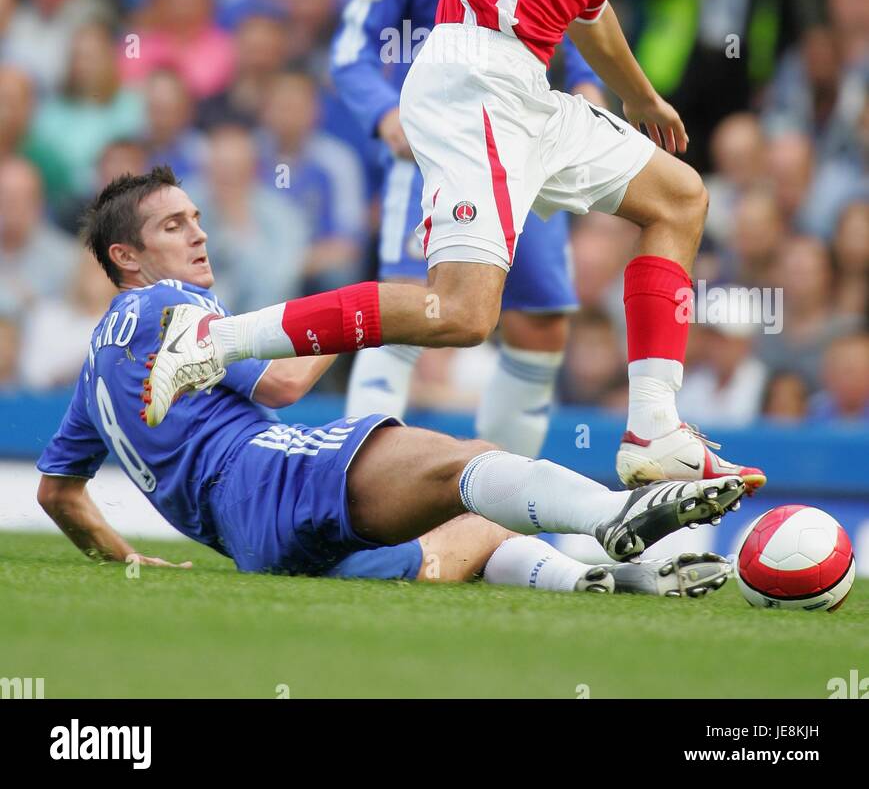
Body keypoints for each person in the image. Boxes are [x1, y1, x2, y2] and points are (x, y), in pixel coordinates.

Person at [144, 0, 767, 495]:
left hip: (520, 89)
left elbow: (587, 10)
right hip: (478, 79)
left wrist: (637, 94)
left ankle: (653, 430)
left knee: (680, 197)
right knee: (462, 314)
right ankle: (215, 340)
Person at [37, 167, 741, 599]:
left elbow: (58, 491)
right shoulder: (163, 304)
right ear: (127, 258)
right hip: (268, 476)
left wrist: (127, 560)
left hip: (248, 541)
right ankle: (612, 515)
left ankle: (609, 578)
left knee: (460, 538)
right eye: (172, 225)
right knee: (465, 461)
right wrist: (360, 316)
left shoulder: (96, 365)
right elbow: (280, 383)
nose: (198, 235)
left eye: (195, 218)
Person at [331, 0, 601, 458]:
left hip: (522, 145)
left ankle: (504, 500)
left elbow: (569, 18)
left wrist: (587, 87)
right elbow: (350, 47)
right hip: (436, 143)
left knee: (540, 322)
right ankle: (355, 480)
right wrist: (384, 115)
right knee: (410, 310)